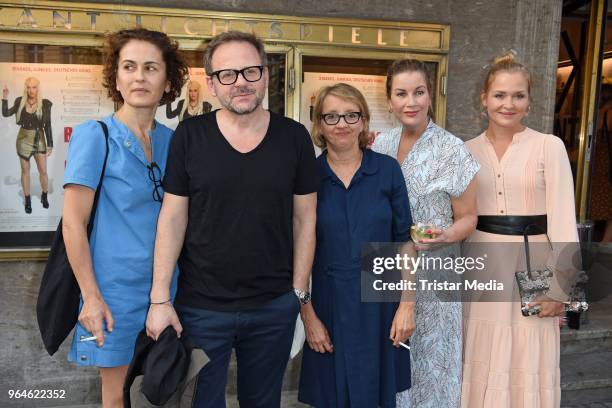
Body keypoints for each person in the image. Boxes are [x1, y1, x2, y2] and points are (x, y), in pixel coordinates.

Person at [145, 31, 318, 408]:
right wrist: (160, 299)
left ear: (265, 75)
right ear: (211, 83)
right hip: (202, 307)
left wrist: (298, 294)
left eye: (250, 71)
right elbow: (173, 218)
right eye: (227, 74)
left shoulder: (294, 137)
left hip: (273, 306)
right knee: (202, 402)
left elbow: (305, 220)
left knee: (263, 402)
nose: (240, 82)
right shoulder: (191, 135)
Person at [62, 28, 188, 407]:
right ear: (115, 77)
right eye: (129, 66)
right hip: (112, 293)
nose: (139, 77)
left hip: (169, 290)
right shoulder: (95, 135)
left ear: (167, 80)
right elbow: (73, 224)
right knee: (116, 397)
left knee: (167, 389)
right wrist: (91, 297)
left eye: (151, 68)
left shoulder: (175, 141)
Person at [461, 53, 579, 408]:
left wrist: (560, 288)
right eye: (499, 95)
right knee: (480, 349)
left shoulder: (549, 146)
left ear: (529, 102)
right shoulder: (464, 152)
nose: (507, 104)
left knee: (527, 353)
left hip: (534, 269)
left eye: (518, 95)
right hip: (480, 268)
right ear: (484, 99)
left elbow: (563, 218)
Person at [297, 83, 414, 408]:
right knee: (332, 396)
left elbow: (405, 242)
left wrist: (407, 306)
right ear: (319, 124)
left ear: (364, 121)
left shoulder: (387, 170)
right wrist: (308, 316)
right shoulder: (307, 176)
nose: (342, 124)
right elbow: (297, 252)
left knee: (377, 396)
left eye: (351, 115)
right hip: (327, 305)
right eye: (331, 116)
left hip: (380, 305)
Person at [372, 59, 480, 408]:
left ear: (430, 95)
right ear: (389, 99)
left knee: (431, 368)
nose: (411, 102)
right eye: (401, 93)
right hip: (384, 271)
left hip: (435, 274)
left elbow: (468, 218)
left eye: (419, 92)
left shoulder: (452, 148)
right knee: (388, 360)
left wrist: (445, 236)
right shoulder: (378, 145)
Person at [2, 77, 53, 213]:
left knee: (43, 171)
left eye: (34, 87)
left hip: (39, 138)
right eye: (29, 87)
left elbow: (47, 125)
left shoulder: (45, 104)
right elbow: (6, 113)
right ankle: (28, 200)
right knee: (25, 171)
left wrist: (50, 144)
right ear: (26, 88)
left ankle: (44, 195)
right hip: (23, 139)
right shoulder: (20, 101)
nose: (31, 90)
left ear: (38, 88)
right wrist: (5, 97)